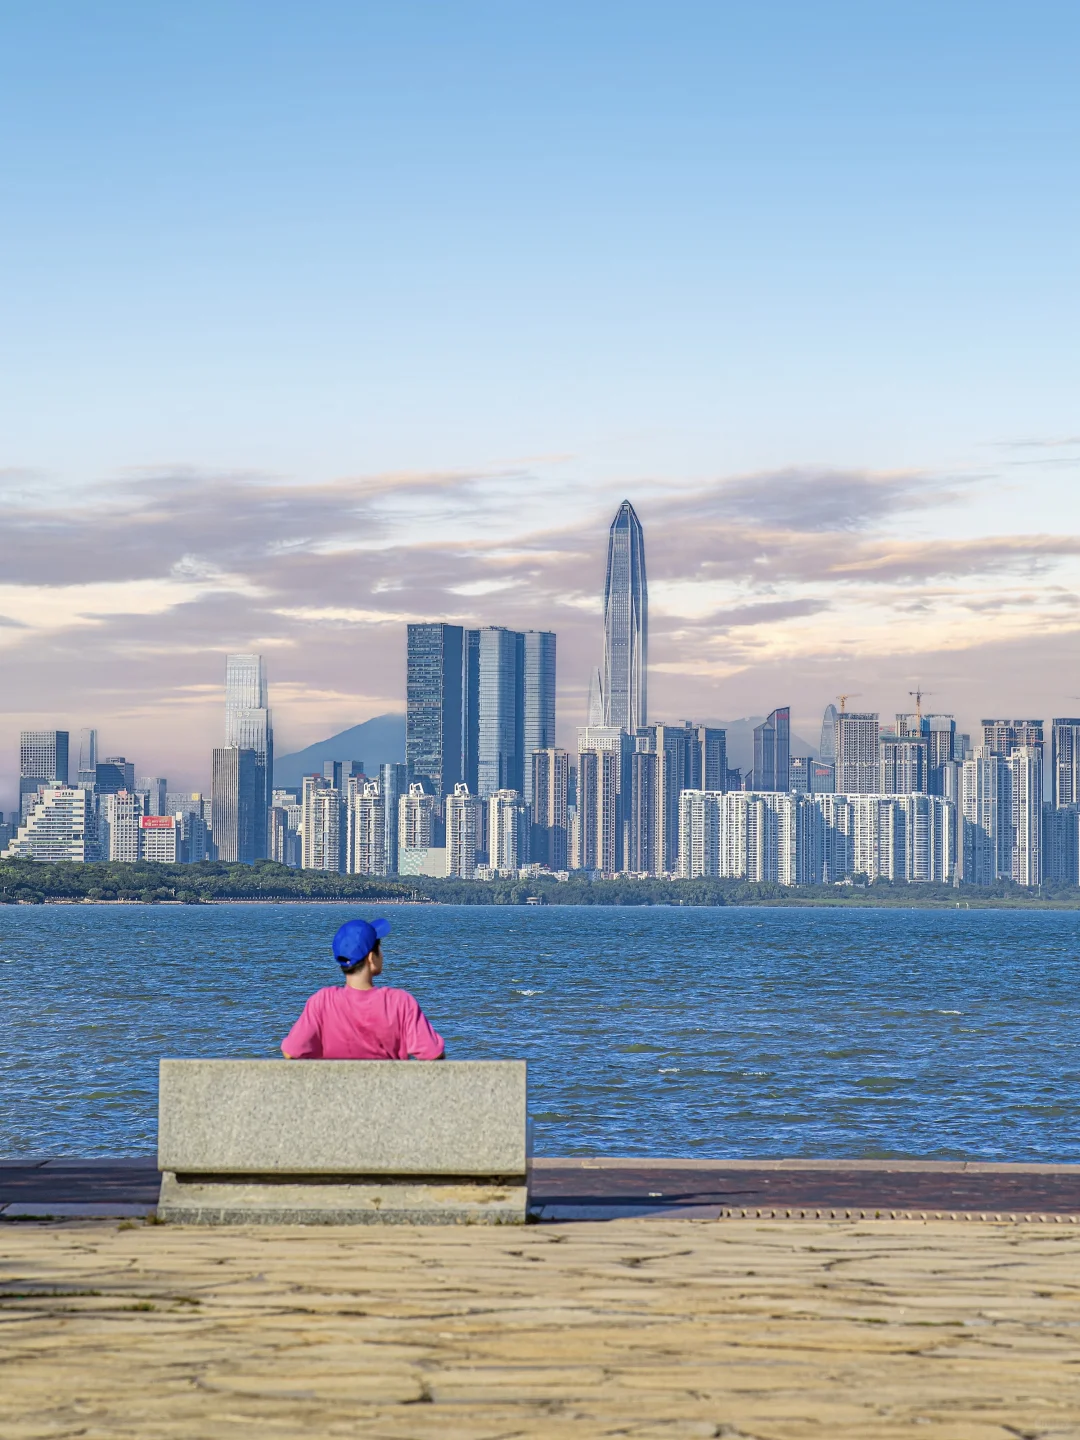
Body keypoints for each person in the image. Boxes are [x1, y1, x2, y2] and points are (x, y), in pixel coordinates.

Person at [281, 917, 445, 1061]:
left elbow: (291, 1052)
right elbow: (433, 1054)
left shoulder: (322, 1002)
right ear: (371, 958)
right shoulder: (400, 1002)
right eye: (379, 949)